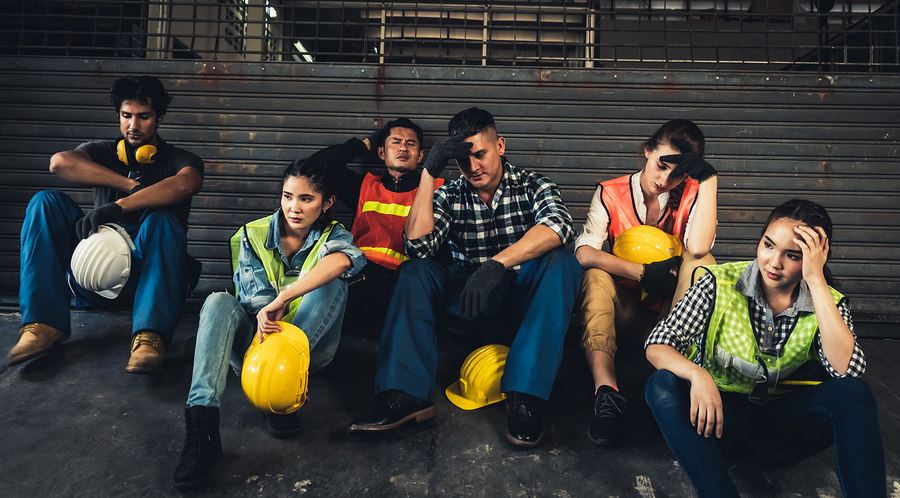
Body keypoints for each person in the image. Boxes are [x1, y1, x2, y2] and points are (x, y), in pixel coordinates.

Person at [347, 107, 581, 448]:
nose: (473, 167)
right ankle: (405, 397)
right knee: (415, 272)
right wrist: (429, 173)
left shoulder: (534, 185)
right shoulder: (448, 194)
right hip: (468, 307)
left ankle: (525, 398)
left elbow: (559, 226)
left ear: (500, 146)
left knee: (561, 262)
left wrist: (497, 264)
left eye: (480, 155)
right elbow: (418, 246)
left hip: (523, 313)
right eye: (462, 160)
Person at [644, 199, 885, 498]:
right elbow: (657, 343)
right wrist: (697, 375)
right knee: (662, 384)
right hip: (718, 422)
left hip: (783, 432)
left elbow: (846, 369)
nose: (774, 262)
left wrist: (816, 280)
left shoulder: (829, 302)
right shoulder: (718, 283)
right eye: (768, 245)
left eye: (793, 255)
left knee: (854, 394)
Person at [173, 158, 365, 490]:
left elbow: (346, 260)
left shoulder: (335, 235)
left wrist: (287, 295)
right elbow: (255, 304)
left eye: (307, 199)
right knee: (217, 301)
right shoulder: (253, 234)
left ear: (327, 203)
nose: (295, 207)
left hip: (308, 353)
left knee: (333, 280)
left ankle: (284, 392)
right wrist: (271, 308)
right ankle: (202, 428)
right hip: (255, 349)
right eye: (288, 196)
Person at [9, 75, 204, 374]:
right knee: (44, 202)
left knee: (162, 219)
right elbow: (59, 162)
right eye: (126, 116)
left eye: (143, 117)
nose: (133, 126)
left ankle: (150, 337)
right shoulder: (102, 152)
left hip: (149, 282)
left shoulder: (179, 159)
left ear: (160, 119)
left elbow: (185, 184)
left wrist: (117, 207)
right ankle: (43, 325)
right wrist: (128, 185)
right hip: (97, 276)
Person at [574, 119, 718, 445]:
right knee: (594, 275)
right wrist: (642, 272)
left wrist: (709, 181)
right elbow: (584, 253)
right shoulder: (610, 192)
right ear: (647, 151)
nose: (665, 180)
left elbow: (698, 249)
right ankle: (607, 395)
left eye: (678, 173)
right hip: (628, 316)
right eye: (661, 165)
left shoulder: (695, 195)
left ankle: (667, 387)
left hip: (671, 317)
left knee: (703, 264)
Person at [309, 118, 444, 332]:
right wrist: (365, 145)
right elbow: (316, 166)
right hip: (359, 280)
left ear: (421, 156)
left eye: (411, 143)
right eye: (396, 141)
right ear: (381, 153)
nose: (403, 147)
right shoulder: (364, 186)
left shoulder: (439, 190)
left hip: (405, 286)